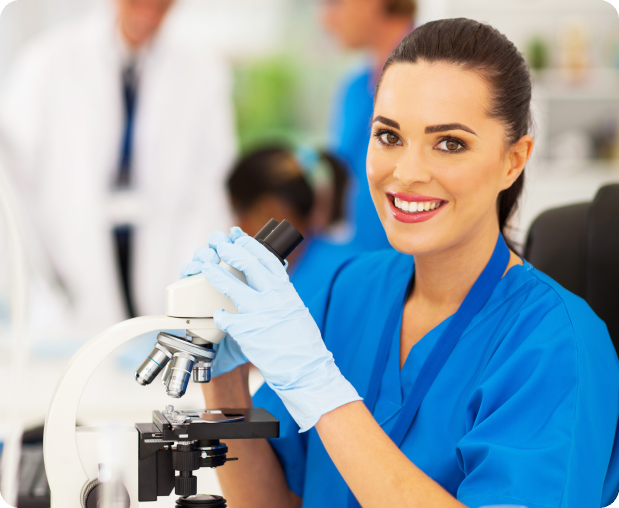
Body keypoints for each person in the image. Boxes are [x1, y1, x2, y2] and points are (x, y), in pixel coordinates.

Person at [182, 19, 619, 508]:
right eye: (389, 136)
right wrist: (223, 385)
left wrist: (324, 394)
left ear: (513, 160)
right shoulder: (346, 291)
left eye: (450, 143)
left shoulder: (558, 345)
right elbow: (273, 503)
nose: (406, 173)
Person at [0, 0, 235, 332]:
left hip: (160, 255)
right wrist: (41, 274)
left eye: (162, 6)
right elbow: (13, 183)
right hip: (68, 264)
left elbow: (211, 181)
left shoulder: (201, 72)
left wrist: (196, 279)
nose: (150, 12)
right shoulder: (47, 60)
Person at [320, 0, 416, 252]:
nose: (325, 21)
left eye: (332, 3)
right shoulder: (355, 88)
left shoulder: (437, 79)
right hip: (368, 266)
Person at [226, 146, 358, 303]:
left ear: (271, 211)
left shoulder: (338, 280)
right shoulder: (350, 266)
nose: (236, 227)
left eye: (239, 214)